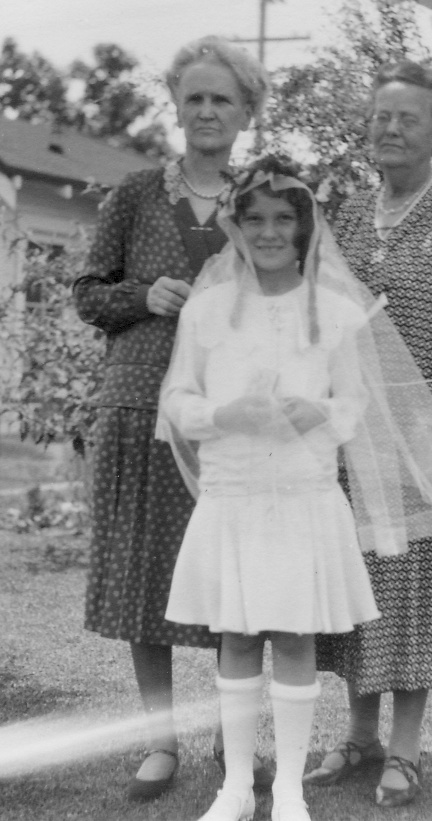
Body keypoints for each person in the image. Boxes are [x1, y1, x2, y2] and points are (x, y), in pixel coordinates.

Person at [156, 155, 432, 821]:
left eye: (283, 219)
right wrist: (223, 414)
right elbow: (178, 399)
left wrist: (317, 413)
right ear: (236, 227)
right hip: (234, 495)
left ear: (305, 228)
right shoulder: (207, 310)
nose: (268, 232)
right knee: (237, 637)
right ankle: (235, 787)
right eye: (254, 219)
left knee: (293, 637)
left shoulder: (337, 314)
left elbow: (354, 405)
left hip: (303, 495)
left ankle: (288, 789)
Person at [73, 36, 270, 802]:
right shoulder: (134, 194)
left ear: (247, 110)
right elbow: (89, 292)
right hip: (141, 405)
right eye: (195, 97)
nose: (207, 110)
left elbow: (298, 290)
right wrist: (141, 294)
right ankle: (159, 741)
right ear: (177, 107)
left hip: (233, 416)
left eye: (223, 98)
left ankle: (231, 739)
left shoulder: (266, 197)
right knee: (142, 575)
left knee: (236, 580)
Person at [304, 60, 432, 808]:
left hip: (423, 433)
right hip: (346, 433)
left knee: (413, 586)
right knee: (356, 580)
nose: (387, 128)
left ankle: (406, 750)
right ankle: (358, 734)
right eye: (380, 116)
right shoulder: (349, 213)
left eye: (406, 118)